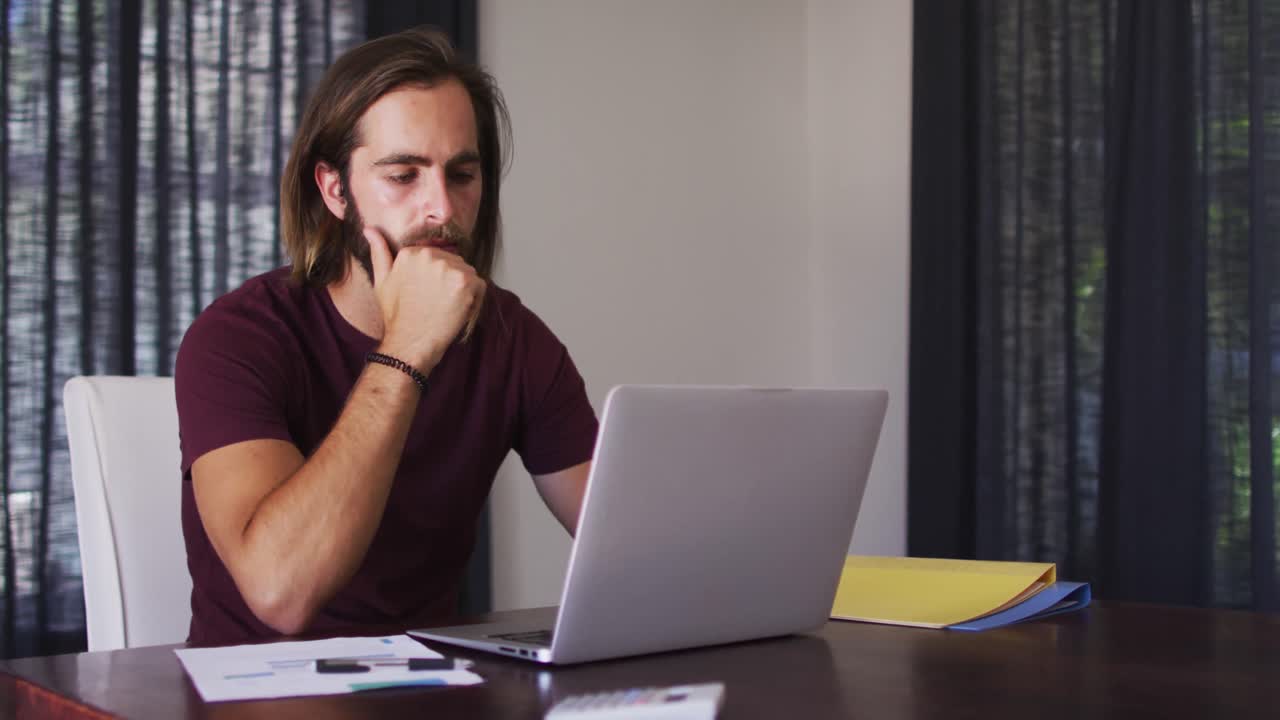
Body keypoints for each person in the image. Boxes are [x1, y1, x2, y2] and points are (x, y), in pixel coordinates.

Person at [174, 27, 598, 645]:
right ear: (335, 189)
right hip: (256, 692)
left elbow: (629, 554)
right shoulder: (235, 338)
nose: (442, 210)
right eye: (403, 175)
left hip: (431, 684)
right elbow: (281, 591)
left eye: (462, 175)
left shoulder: (514, 340)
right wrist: (407, 349)